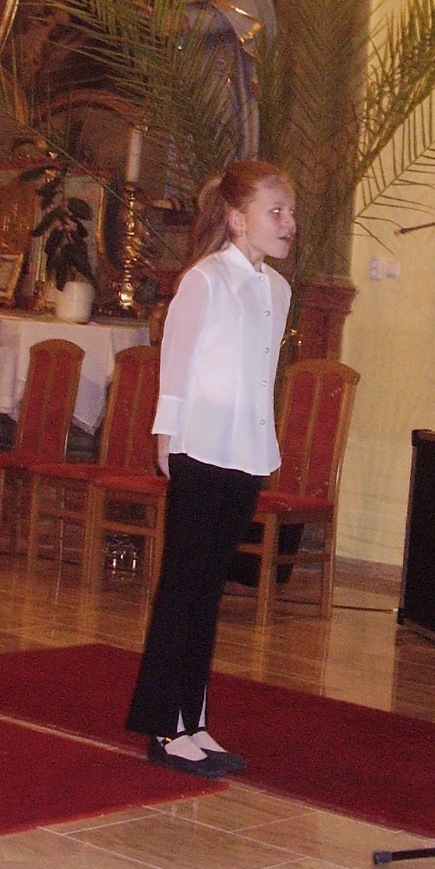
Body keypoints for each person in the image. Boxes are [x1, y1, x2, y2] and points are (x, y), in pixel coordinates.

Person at [125, 159, 296, 776]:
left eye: (290, 212)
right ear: (237, 219)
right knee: (183, 583)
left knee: (210, 587)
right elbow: (177, 363)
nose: (288, 223)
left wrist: (264, 441)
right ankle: (164, 726)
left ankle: (193, 719)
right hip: (200, 445)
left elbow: (260, 376)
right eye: (275, 212)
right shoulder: (205, 280)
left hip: (245, 450)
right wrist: (165, 436)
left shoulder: (277, 291)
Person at [186, 0, 277, 158]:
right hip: (212, 76)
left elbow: (216, 21)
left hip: (233, 83)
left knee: (226, 145)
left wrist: (172, 20)